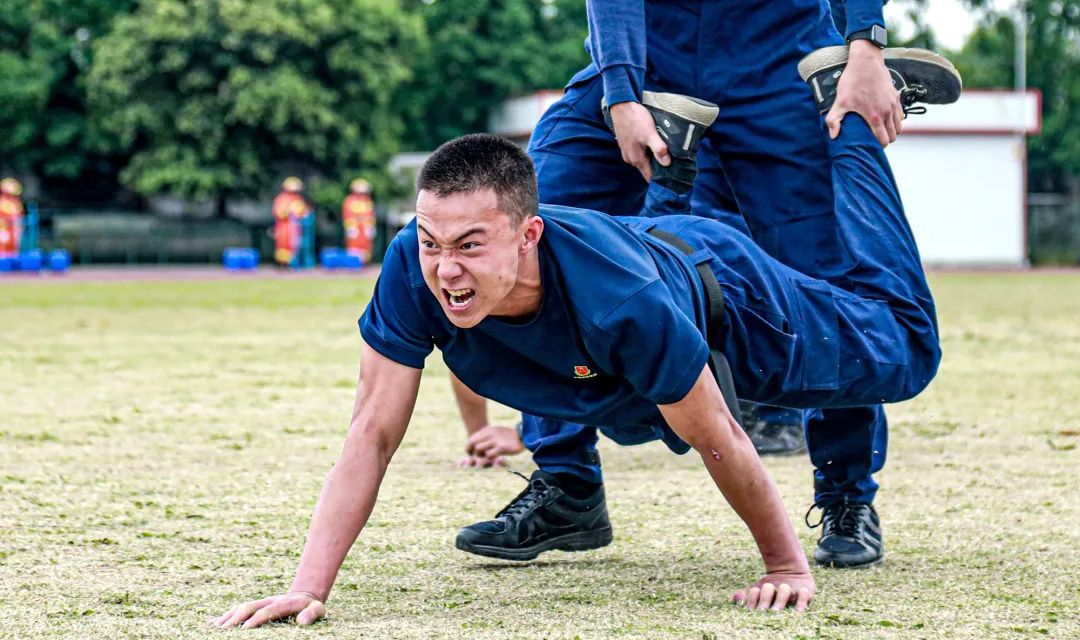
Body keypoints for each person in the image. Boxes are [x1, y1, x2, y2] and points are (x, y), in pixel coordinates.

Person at [212, 50, 957, 628]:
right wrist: (307, 587)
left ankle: (850, 118)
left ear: (527, 234)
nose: (445, 268)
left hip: (730, 301)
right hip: (634, 276)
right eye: (433, 241)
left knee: (906, 349)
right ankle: (676, 150)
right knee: (630, 409)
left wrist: (786, 566)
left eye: (470, 245)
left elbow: (721, 437)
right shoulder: (417, 265)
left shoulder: (622, 306)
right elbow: (371, 432)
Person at [456, 0, 920, 570]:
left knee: (826, 281)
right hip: (646, 60)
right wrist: (622, 92)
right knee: (539, 234)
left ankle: (846, 496)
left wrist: (866, 47)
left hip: (778, 59)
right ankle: (567, 483)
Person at [272, 177, 310, 268]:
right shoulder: (282, 198)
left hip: (295, 226)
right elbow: (278, 212)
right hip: (284, 226)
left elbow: (303, 211)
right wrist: (288, 212)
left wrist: (303, 213)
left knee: (294, 245)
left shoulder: (298, 198)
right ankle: (281, 263)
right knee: (282, 244)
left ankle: (292, 262)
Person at [342, 178, 377, 264]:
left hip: (364, 228)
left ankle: (365, 263)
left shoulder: (367, 201)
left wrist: (371, 226)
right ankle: (353, 263)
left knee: (366, 246)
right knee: (353, 245)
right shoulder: (349, 200)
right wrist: (350, 226)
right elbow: (347, 214)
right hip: (355, 227)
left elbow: (371, 214)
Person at [0, 178, 25, 258]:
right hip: (3, 227)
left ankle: (12, 262)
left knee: (13, 246)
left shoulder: (16, 202)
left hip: (14, 227)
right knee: (3, 244)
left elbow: (19, 214)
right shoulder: (2, 201)